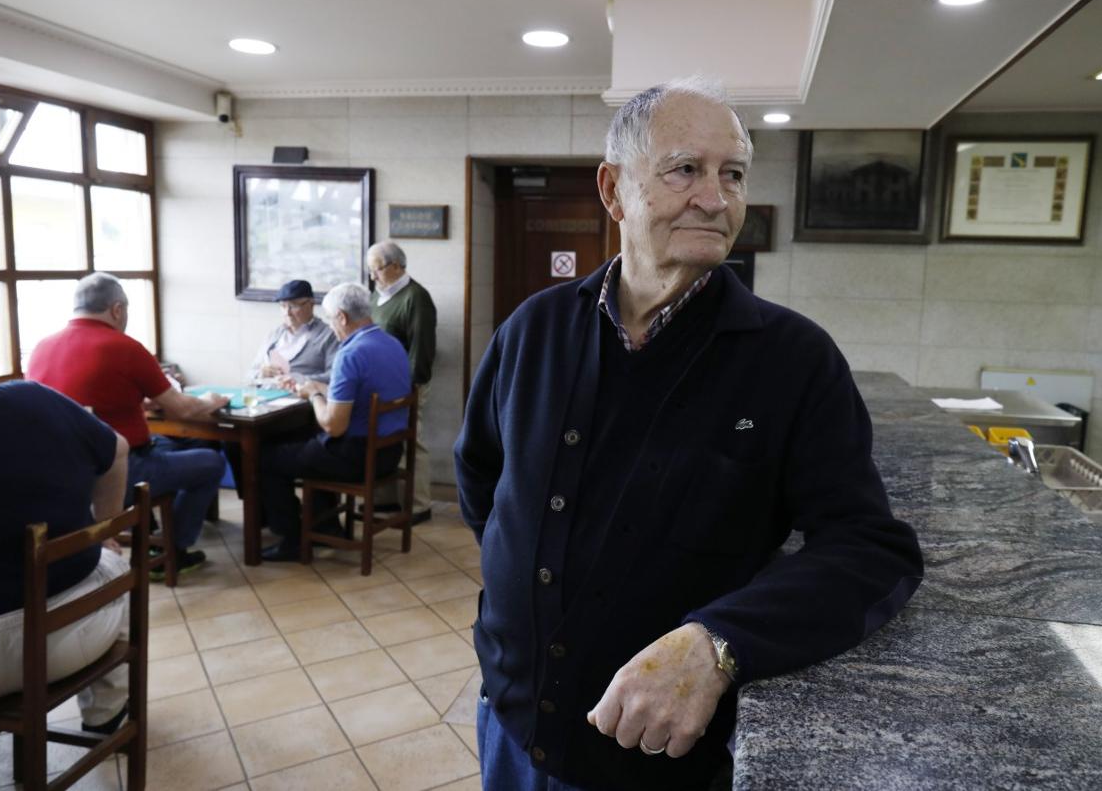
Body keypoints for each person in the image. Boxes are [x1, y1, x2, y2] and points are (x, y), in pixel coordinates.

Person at [455, 76, 925, 791]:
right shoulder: (534, 329)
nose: (716, 197)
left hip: (657, 758)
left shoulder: (793, 359)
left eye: (732, 174)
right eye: (685, 170)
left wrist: (719, 642)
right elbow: (483, 482)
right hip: (513, 722)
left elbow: (869, 549)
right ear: (614, 191)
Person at [0, 329, 135, 734]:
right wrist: (103, 528)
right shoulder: (34, 399)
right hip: (69, 637)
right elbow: (118, 448)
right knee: (112, 561)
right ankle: (105, 712)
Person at [28, 272, 228, 579]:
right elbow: (184, 408)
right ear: (117, 309)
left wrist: (137, 403)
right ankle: (172, 550)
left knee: (174, 445)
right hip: (120, 474)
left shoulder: (42, 347)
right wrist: (214, 401)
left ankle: (150, 538)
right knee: (211, 461)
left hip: (62, 474)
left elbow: (83, 402)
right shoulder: (125, 347)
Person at [258, 282, 411, 561]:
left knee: (266, 458)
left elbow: (333, 426)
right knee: (305, 446)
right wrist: (321, 388)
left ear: (342, 317)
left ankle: (291, 539)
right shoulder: (391, 343)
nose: (331, 326)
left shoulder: (350, 353)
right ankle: (325, 525)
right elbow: (362, 393)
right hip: (389, 452)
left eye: (330, 318)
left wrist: (315, 392)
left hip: (357, 456)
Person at [367, 240, 436, 522]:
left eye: (378, 270)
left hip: (407, 385)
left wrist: (412, 385)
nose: (373, 277)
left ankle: (418, 505)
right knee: (384, 441)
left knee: (411, 443)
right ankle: (385, 500)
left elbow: (422, 346)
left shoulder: (416, 297)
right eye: (371, 271)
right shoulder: (378, 294)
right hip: (380, 385)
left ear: (396, 266)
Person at [246, 279, 339, 385]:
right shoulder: (275, 334)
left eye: (293, 306)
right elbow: (250, 374)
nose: (287, 313)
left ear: (311, 304)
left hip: (303, 397)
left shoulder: (328, 335)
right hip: (267, 395)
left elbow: (334, 376)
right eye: (283, 306)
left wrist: (298, 380)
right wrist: (260, 373)